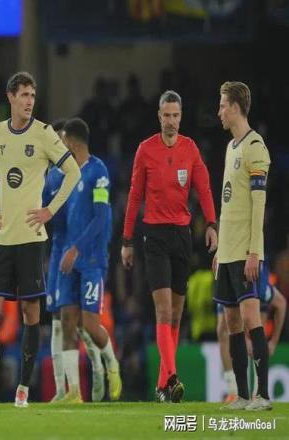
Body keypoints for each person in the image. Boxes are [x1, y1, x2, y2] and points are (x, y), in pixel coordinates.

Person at [0, 71, 80, 408]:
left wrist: (49, 210)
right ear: (11, 97)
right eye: (24, 95)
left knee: (30, 313)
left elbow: (73, 172)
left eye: (32, 96)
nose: (29, 101)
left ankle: (23, 389)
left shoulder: (44, 134)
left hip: (31, 239)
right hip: (3, 239)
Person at [121, 90, 217, 403]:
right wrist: (127, 240)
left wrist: (212, 224)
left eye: (176, 115)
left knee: (176, 315)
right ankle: (173, 377)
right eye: (167, 115)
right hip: (155, 237)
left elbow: (204, 187)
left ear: (181, 116)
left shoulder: (190, 149)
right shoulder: (146, 150)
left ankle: (163, 385)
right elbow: (135, 196)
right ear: (159, 116)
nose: (171, 121)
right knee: (163, 311)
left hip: (181, 235)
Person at [214, 81, 272, 411]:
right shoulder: (230, 147)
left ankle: (262, 395)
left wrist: (254, 252)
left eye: (223, 105)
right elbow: (229, 204)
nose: (219, 112)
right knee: (231, 323)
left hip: (246, 252)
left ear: (235, 108)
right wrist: (221, 251)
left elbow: (258, 205)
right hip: (228, 251)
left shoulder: (255, 146)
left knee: (252, 319)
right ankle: (242, 394)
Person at [57, 117, 121, 403]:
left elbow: (102, 217)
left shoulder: (98, 171)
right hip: (70, 259)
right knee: (68, 321)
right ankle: (73, 391)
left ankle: (111, 363)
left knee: (90, 324)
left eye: (62, 141)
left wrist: (77, 248)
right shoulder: (68, 174)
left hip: (91, 259)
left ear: (72, 142)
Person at [44, 119, 105, 403]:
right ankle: (63, 389)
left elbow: (96, 215)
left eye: (61, 140)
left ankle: (98, 366)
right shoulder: (52, 175)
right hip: (58, 250)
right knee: (59, 321)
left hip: (78, 252)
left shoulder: (80, 172)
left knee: (80, 323)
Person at [217, 261, 287, 402]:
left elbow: (281, 304)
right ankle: (233, 390)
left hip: (249, 271)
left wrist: (273, 342)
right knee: (223, 329)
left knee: (256, 324)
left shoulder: (262, 289)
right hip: (229, 267)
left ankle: (258, 391)